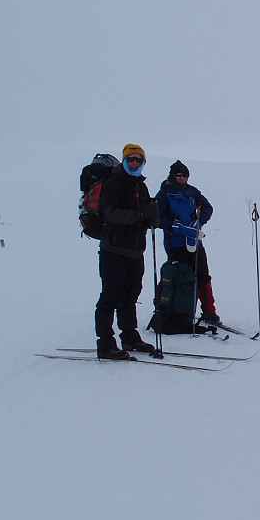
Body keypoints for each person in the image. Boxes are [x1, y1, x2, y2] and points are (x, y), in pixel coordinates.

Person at [95, 144, 161, 359]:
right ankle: (105, 344)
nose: (134, 163)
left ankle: (130, 338)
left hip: (134, 251)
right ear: (124, 161)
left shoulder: (140, 186)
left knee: (130, 295)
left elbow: (145, 212)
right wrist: (140, 215)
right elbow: (111, 213)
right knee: (111, 296)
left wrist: (152, 218)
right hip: (113, 249)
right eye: (131, 159)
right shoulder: (114, 183)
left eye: (138, 160)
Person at [155, 160, 221, 326]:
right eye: (180, 176)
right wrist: (175, 227)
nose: (183, 179)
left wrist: (198, 222)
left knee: (203, 277)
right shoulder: (164, 193)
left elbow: (208, 208)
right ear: (173, 176)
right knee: (180, 278)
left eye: (185, 176)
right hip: (175, 245)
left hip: (195, 242)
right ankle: (176, 312)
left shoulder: (192, 192)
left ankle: (209, 312)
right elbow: (158, 218)